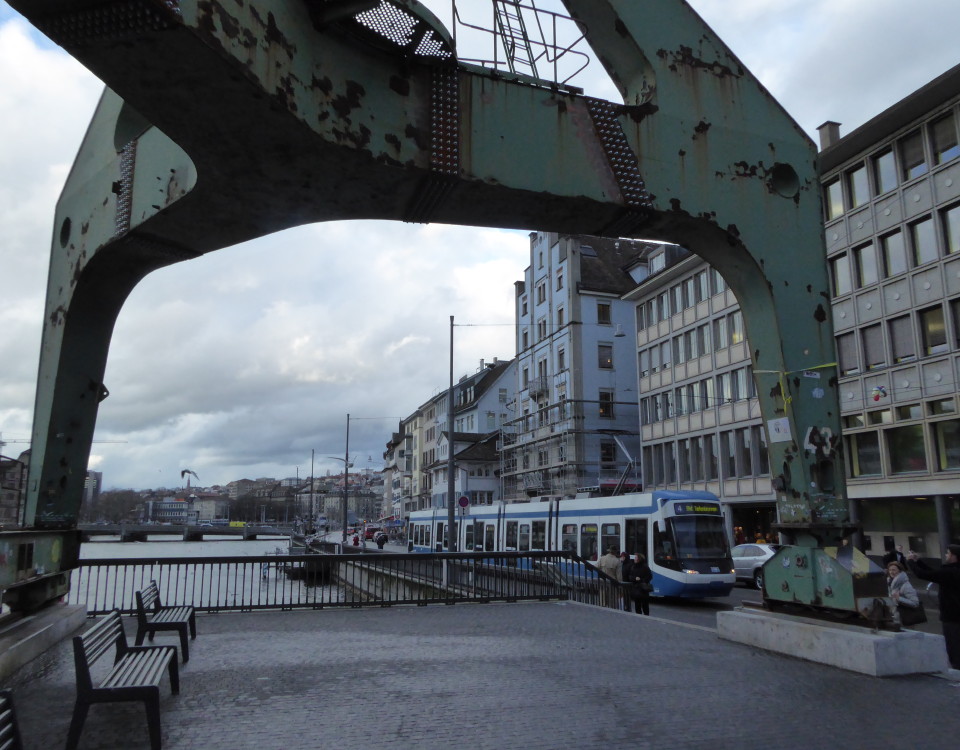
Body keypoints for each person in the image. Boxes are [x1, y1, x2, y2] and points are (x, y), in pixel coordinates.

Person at [907, 545, 960, 669]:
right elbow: (934, 573)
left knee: (954, 647)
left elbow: (923, 574)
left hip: (951, 615)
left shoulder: (949, 572)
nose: (946, 555)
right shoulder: (952, 571)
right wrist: (918, 561)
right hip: (956, 615)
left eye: (947, 553)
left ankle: (957, 672)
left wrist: (910, 561)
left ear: (953, 556)